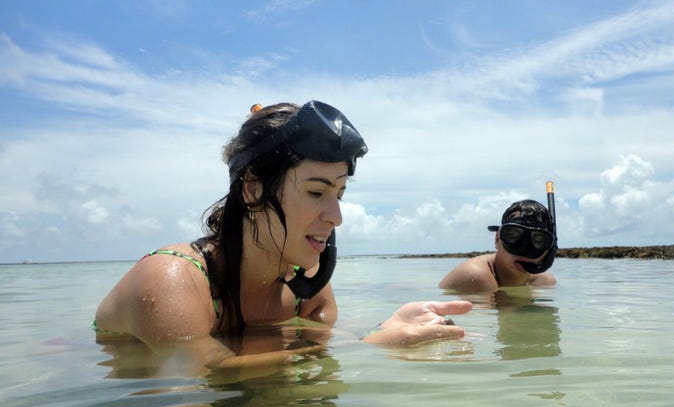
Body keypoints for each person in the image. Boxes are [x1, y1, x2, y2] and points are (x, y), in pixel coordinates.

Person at [94, 101, 471, 372]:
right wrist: (372, 346)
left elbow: (324, 342)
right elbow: (209, 372)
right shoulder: (171, 279)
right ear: (254, 190)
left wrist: (390, 327)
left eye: (339, 194)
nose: (336, 217)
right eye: (316, 192)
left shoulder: (308, 288)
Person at [438, 199, 557, 292]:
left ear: (549, 249)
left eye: (539, 240)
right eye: (512, 235)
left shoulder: (544, 282)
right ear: (497, 239)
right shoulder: (477, 277)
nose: (524, 248)